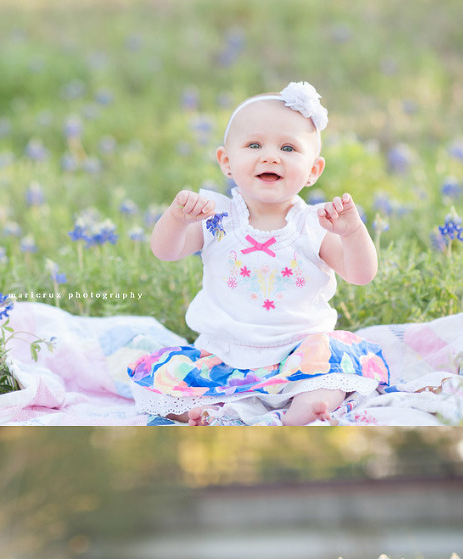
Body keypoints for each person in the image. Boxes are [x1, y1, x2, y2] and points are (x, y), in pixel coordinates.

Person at [127, 82, 389, 425]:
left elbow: (361, 274)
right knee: (161, 380)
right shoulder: (217, 217)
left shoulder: (315, 223)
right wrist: (176, 220)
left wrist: (353, 233)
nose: (270, 156)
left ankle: (302, 412)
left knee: (333, 369)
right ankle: (206, 412)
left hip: (300, 355)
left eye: (288, 148)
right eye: (254, 145)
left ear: (313, 170)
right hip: (224, 354)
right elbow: (166, 251)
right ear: (227, 162)